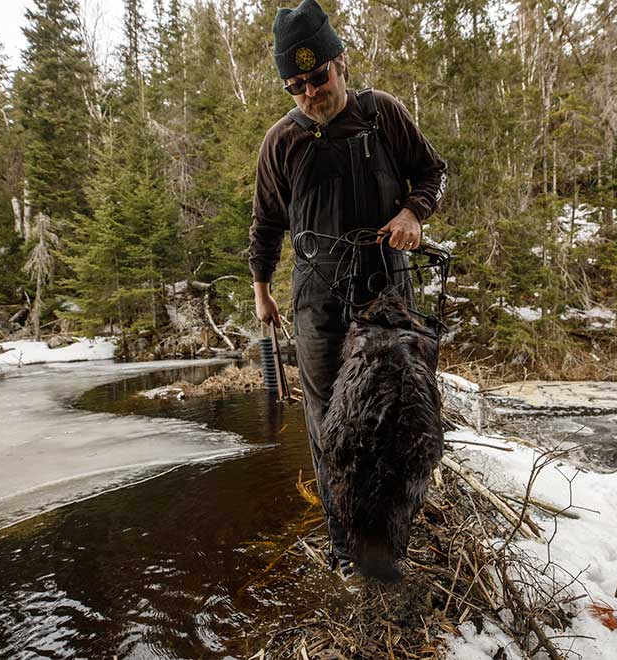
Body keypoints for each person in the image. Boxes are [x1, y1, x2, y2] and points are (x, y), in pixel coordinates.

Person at [248, 0, 447, 576]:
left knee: (401, 412)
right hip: (317, 299)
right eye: (296, 85)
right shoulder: (280, 142)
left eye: (318, 77)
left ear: (340, 63)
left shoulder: (382, 114)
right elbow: (264, 224)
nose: (310, 92)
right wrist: (262, 289)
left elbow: (433, 171)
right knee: (326, 423)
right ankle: (347, 548)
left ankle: (395, 535)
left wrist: (413, 213)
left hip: (387, 293)